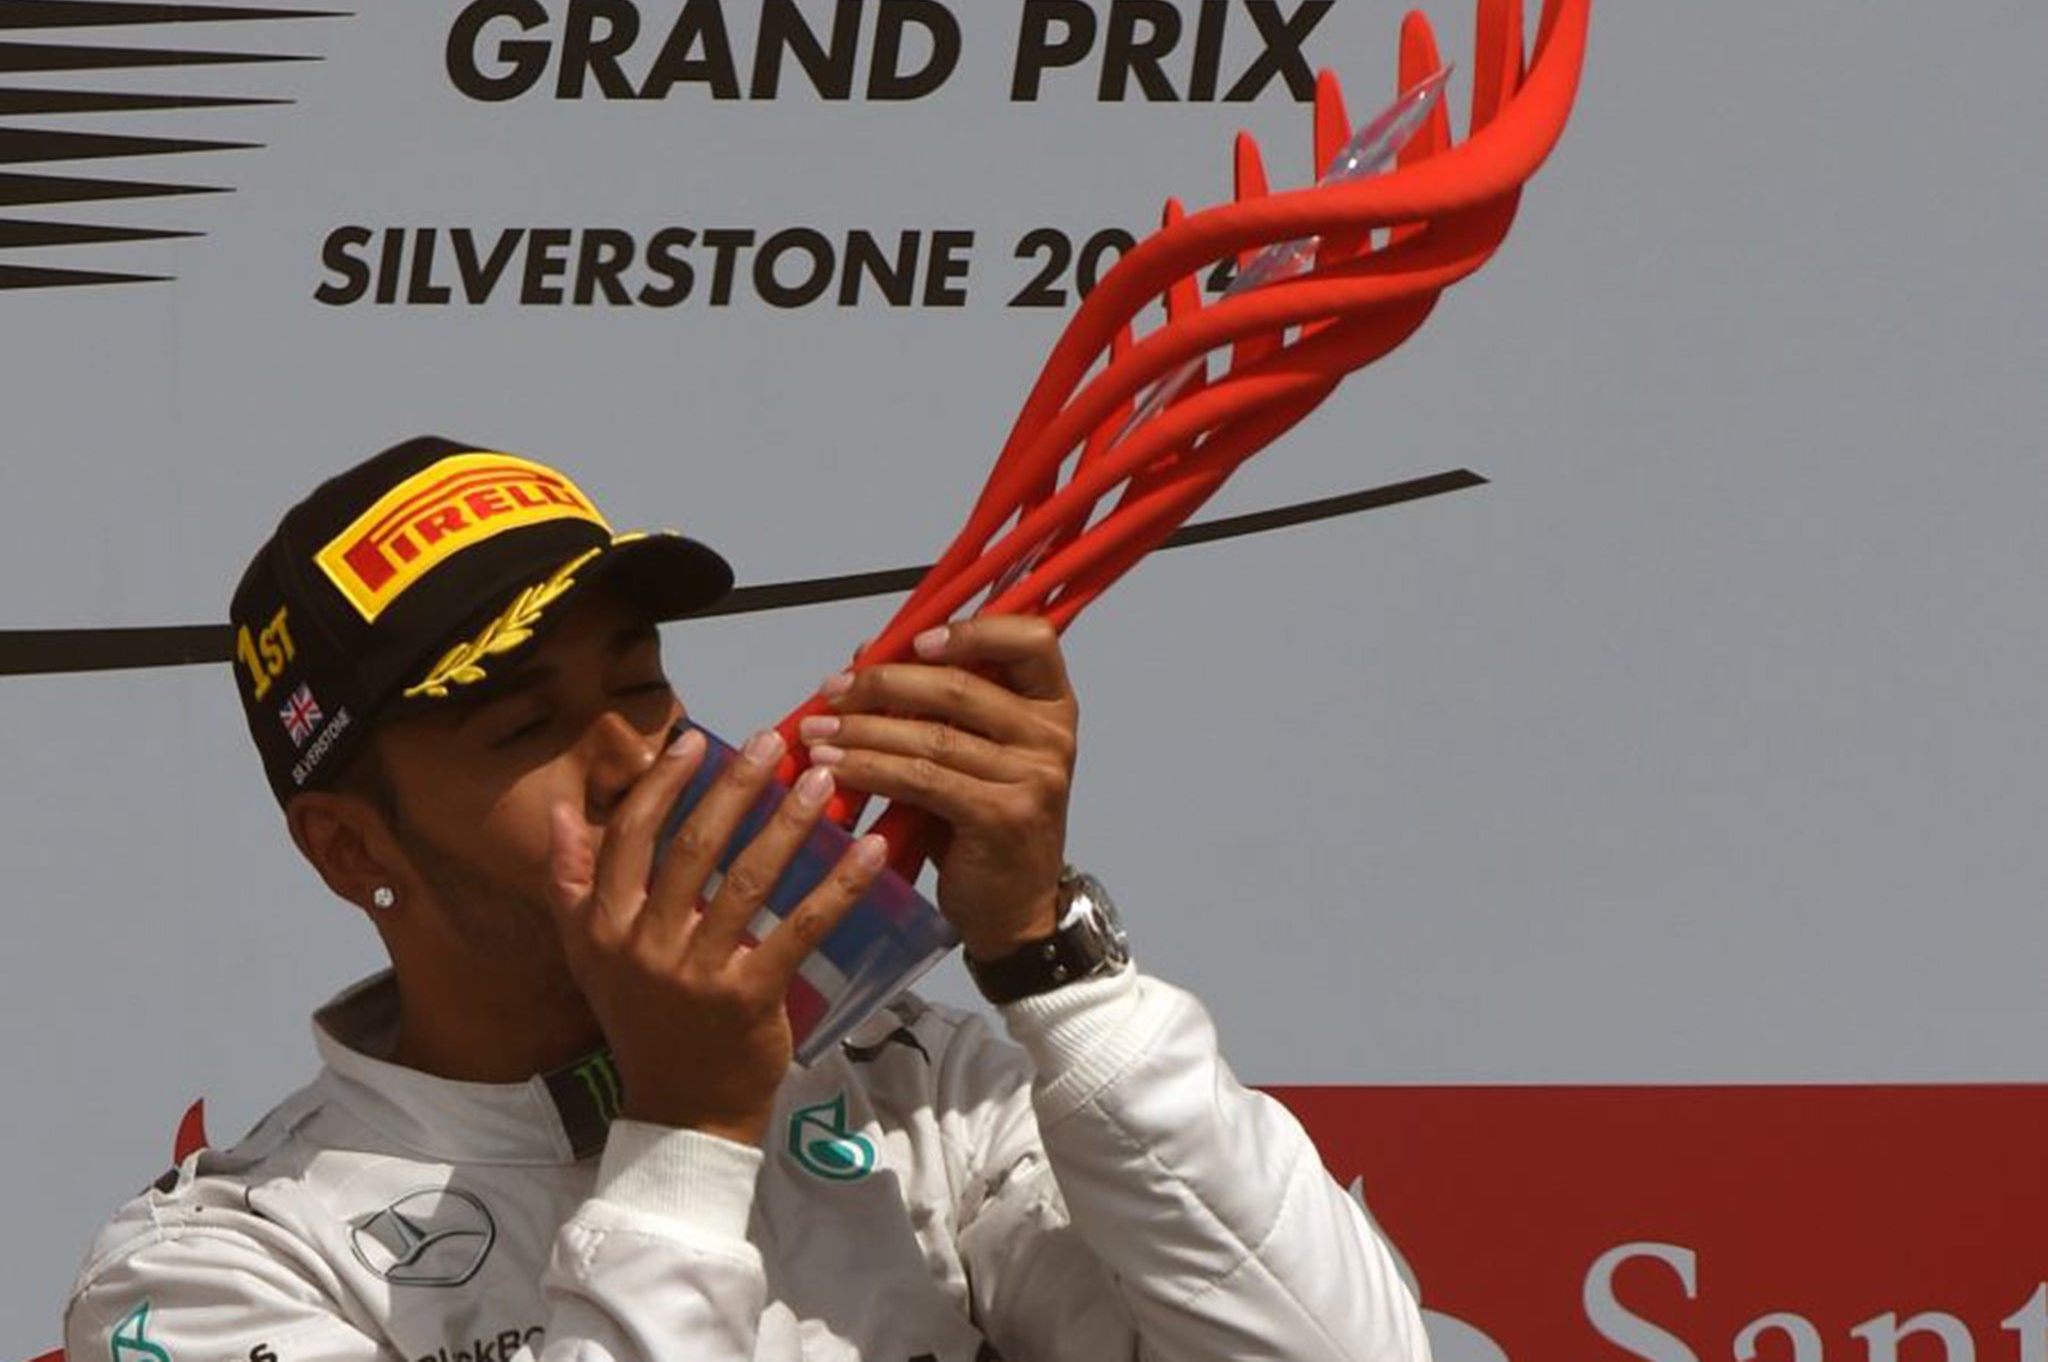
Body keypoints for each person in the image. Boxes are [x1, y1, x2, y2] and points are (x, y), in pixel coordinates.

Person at [64, 436, 1431, 1362]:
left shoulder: (914, 1091)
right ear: (350, 847)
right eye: (523, 728)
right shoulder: (212, 1272)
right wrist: (685, 1139)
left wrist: (1050, 961)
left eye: (641, 684)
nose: (631, 758)